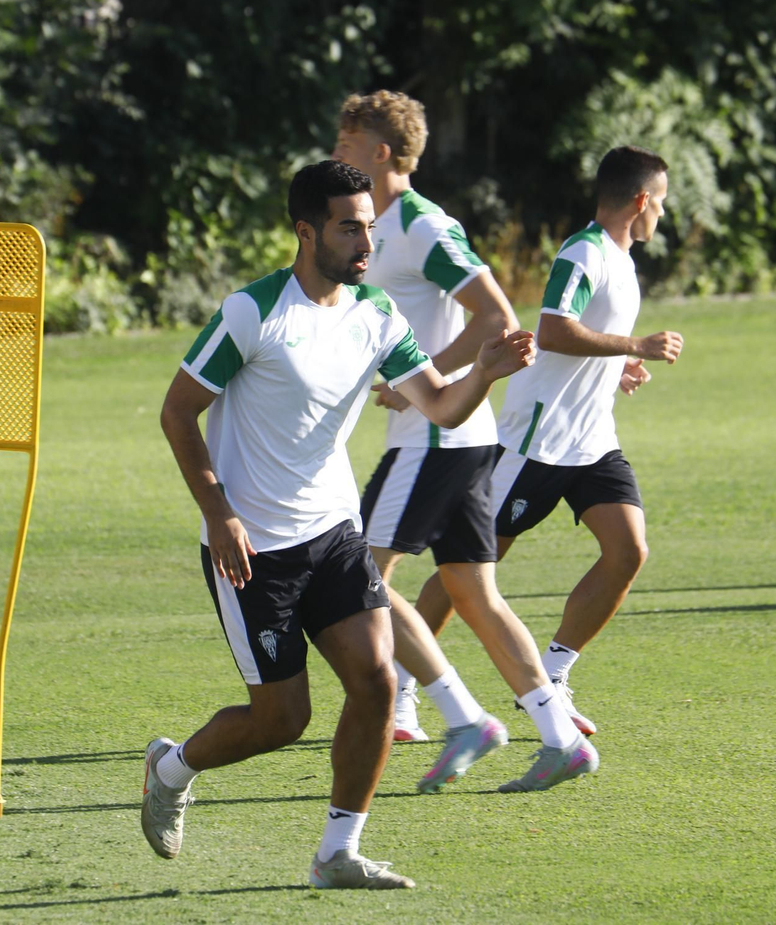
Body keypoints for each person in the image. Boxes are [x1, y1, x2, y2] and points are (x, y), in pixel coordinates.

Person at [145, 160, 535, 888]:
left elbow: (441, 407)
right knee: (280, 721)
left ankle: (337, 853)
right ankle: (171, 768)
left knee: (377, 683)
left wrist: (484, 370)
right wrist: (219, 511)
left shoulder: (378, 314)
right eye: (349, 226)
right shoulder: (251, 312)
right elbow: (177, 412)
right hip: (253, 548)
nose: (366, 240)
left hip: (332, 534)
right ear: (306, 231)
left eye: (369, 225)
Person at [334, 91, 593, 802]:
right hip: (460, 436)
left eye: (347, 143)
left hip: (436, 435)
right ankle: (561, 739)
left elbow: (497, 314)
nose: (336, 152)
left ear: (381, 152)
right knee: (473, 593)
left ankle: (463, 718)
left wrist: (431, 379)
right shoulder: (377, 226)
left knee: (362, 577)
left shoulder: (419, 225)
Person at [414, 144, 682, 792]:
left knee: (627, 549)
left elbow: (579, 339)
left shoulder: (620, 259)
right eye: (663, 202)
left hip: (591, 443)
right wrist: (635, 345)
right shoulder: (584, 252)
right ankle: (400, 681)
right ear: (641, 201)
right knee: (465, 574)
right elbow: (555, 328)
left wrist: (616, 365)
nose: (663, 215)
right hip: (534, 446)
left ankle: (555, 673)